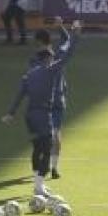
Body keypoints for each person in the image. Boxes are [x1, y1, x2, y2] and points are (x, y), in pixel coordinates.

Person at [2, 20, 82, 197]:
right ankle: (40, 184)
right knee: (47, 145)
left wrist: (10, 113)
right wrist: (76, 34)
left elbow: (21, 92)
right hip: (46, 109)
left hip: (34, 112)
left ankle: (43, 176)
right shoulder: (53, 65)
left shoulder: (31, 69)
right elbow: (69, 51)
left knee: (42, 145)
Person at [31, 17, 72, 179]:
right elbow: (68, 39)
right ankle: (48, 166)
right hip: (51, 102)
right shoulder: (58, 52)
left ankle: (53, 168)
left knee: (52, 134)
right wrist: (60, 26)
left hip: (51, 103)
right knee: (50, 135)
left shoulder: (36, 59)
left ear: (40, 42)